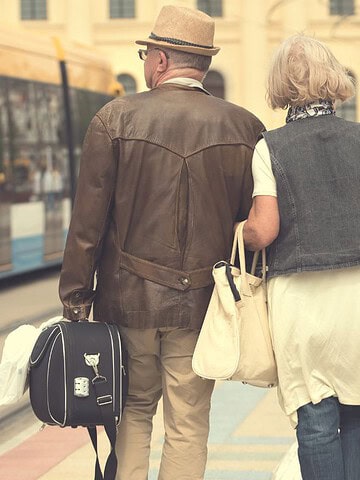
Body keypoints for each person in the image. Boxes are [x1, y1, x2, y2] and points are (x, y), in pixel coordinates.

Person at [59, 5, 264, 480]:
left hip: (126, 302)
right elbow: (249, 224)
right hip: (202, 307)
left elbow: (86, 226)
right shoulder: (245, 127)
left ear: (161, 60)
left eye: (147, 54)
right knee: (189, 422)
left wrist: (75, 303)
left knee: (132, 411)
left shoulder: (115, 119)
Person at [242, 34, 360, 480]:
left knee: (315, 418)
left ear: (279, 86)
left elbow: (265, 229)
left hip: (302, 301)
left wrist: (243, 232)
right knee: (356, 411)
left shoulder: (270, 146)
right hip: (356, 297)